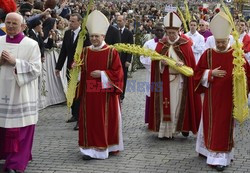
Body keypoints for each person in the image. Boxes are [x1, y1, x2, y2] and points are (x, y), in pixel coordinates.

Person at [194, 11, 250, 172]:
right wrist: (210, 73)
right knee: (211, 123)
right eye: (218, 42)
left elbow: (247, 74)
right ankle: (207, 151)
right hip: (212, 97)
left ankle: (221, 158)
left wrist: (240, 79)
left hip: (228, 98)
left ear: (228, 40)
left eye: (223, 42)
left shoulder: (236, 54)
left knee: (223, 126)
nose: (220, 45)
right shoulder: (208, 54)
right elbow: (198, 74)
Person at [76, 10, 124, 160]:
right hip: (89, 93)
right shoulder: (85, 51)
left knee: (103, 120)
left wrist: (103, 74)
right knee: (90, 120)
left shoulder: (111, 52)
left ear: (103, 36)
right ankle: (89, 149)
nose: (94, 39)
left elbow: (118, 73)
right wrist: (75, 67)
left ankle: (105, 147)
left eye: (97, 36)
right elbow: (81, 69)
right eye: (92, 36)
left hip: (105, 93)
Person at [148, 12, 201, 139]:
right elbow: (154, 64)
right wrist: (161, 63)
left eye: (173, 33)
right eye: (169, 33)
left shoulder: (184, 44)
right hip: (164, 80)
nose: (171, 36)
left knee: (177, 105)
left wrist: (182, 64)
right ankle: (165, 131)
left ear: (178, 32)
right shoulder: (162, 44)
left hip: (179, 80)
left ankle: (179, 128)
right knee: (165, 105)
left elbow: (191, 65)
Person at [0, 12, 41, 173]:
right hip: (2, 91)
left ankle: (16, 163)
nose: (10, 26)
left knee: (19, 130)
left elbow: (36, 69)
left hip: (21, 93)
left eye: (14, 23)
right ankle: (6, 158)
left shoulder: (31, 44)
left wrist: (15, 62)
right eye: (7, 23)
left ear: (23, 26)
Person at [55, 13, 90, 130]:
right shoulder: (67, 33)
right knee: (72, 92)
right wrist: (58, 67)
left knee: (80, 93)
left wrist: (81, 63)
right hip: (70, 68)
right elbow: (64, 51)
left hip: (81, 69)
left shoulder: (84, 34)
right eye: (70, 21)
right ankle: (74, 114)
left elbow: (88, 52)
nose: (70, 23)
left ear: (79, 22)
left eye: (73, 21)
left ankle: (81, 118)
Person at [139, 23, 165, 123]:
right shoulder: (148, 44)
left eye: (161, 30)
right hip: (152, 74)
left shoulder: (168, 43)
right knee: (151, 93)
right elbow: (143, 57)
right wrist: (154, 64)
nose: (159, 32)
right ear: (154, 31)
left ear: (164, 31)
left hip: (164, 73)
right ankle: (151, 119)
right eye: (157, 30)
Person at [116, 15, 134, 101]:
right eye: (117, 21)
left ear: (124, 21)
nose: (118, 22)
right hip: (115, 59)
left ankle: (121, 95)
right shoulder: (114, 32)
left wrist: (128, 60)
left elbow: (131, 48)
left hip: (124, 59)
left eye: (120, 21)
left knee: (123, 77)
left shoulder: (128, 33)